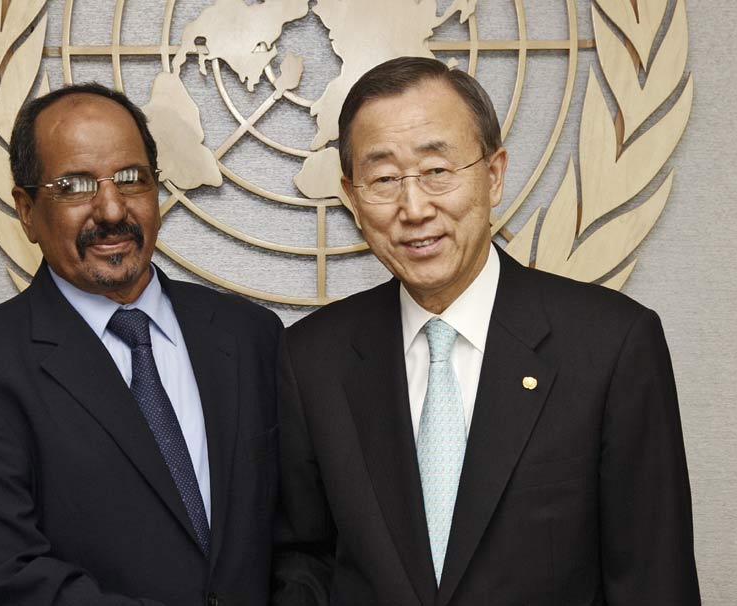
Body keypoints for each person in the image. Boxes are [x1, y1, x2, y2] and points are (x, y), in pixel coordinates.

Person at [271, 57, 700, 605]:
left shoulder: (612, 347)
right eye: (383, 179)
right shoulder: (313, 358)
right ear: (353, 199)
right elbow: (304, 557)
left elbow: (653, 581)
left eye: (437, 171)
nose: (414, 207)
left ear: (494, 175)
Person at [0, 83, 282, 606]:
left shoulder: (250, 336)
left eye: (131, 179)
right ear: (26, 210)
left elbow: (302, 539)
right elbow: (3, 583)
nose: (111, 210)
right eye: (75, 185)